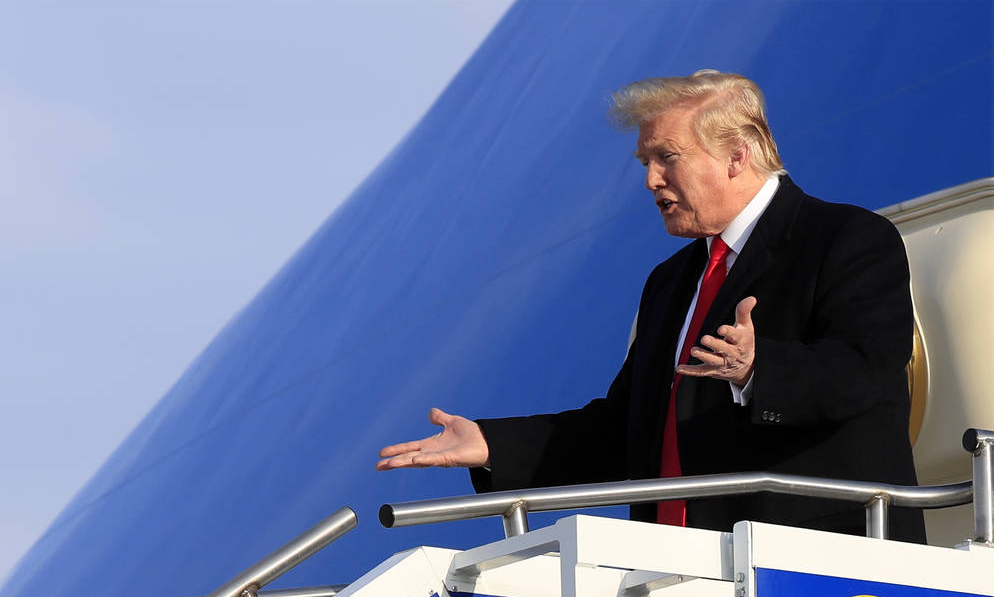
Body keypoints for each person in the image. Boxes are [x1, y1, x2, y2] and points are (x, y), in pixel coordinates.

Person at [377, 70, 925, 544]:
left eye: (668, 158)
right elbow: (628, 429)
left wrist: (761, 370)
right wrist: (493, 443)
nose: (650, 180)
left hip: (818, 576)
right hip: (677, 581)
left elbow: (867, 372)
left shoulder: (846, 238)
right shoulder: (672, 281)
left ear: (738, 154)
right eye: (645, 161)